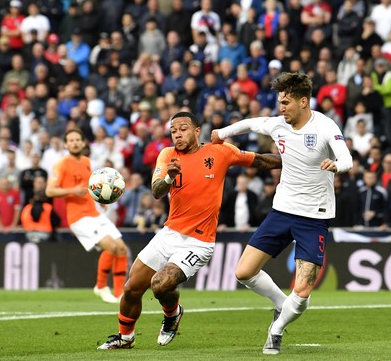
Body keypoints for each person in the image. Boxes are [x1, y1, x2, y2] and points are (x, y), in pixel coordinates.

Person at [97, 111, 282, 350]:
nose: (177, 134)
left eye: (183, 128)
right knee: (132, 288)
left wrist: (296, 159)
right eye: (173, 131)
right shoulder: (167, 155)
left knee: (160, 284)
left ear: (197, 131)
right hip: (169, 234)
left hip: (198, 241)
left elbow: (260, 160)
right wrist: (169, 178)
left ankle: (172, 314)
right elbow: (156, 191)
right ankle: (125, 338)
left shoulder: (220, 151)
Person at [211, 72, 353, 355]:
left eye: (286, 102)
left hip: (314, 216)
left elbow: (347, 157)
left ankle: (276, 330)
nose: (281, 108)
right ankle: (279, 304)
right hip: (282, 211)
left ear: (303, 101)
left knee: (301, 291)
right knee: (244, 272)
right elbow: (252, 124)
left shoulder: (324, 126)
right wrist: (222, 134)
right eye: (279, 102)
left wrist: (337, 166)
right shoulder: (278, 124)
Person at [46, 129, 128, 304]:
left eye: (77, 140)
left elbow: (91, 185)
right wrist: (71, 190)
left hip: (94, 213)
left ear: (83, 143)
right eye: (71, 140)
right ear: (66, 144)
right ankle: (100, 286)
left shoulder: (86, 161)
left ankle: (120, 293)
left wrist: (101, 198)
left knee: (121, 248)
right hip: (79, 218)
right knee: (111, 247)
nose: (75, 143)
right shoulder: (61, 165)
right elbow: (49, 190)